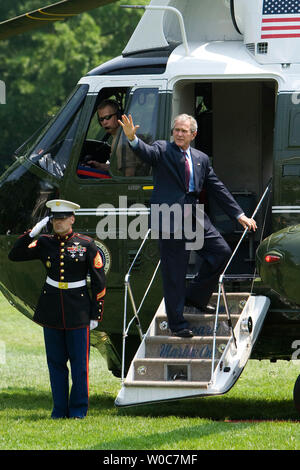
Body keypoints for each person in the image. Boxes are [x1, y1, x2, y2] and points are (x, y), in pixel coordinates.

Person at [119, 113, 257, 338]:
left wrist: (238, 214)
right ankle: (177, 324)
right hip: (168, 216)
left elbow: (217, 188)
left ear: (193, 134)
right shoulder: (162, 149)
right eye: (176, 130)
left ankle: (196, 296)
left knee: (220, 252)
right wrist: (133, 139)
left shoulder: (201, 158)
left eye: (184, 131)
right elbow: (146, 152)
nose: (179, 134)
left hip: (194, 215)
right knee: (175, 271)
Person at [8, 199, 106, 419]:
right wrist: (32, 233)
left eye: (62, 219)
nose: (58, 223)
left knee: (80, 366)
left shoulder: (86, 244)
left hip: (78, 310)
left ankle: (79, 410)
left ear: (72, 219)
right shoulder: (44, 242)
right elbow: (15, 255)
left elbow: (99, 281)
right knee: (56, 364)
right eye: (54, 219)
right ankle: (59, 410)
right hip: (52, 309)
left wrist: (95, 313)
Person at [81, 99, 141, 177]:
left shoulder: (122, 142)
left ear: (118, 116)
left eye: (108, 117)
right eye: (101, 119)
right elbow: (118, 169)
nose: (104, 122)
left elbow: (128, 176)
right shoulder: (118, 137)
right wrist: (100, 166)